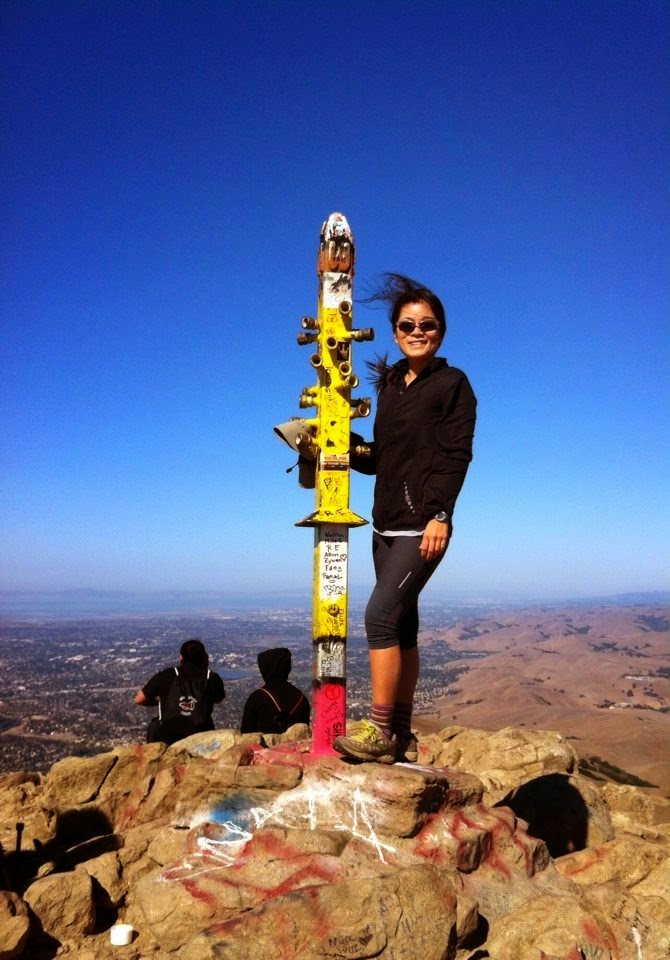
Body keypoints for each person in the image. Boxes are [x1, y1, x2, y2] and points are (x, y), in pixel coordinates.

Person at [333, 274, 476, 764]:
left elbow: (456, 455)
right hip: (383, 525)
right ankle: (400, 733)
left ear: (441, 330)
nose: (418, 331)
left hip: (423, 526)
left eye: (428, 324)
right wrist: (345, 445)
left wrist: (441, 514)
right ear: (395, 331)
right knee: (404, 627)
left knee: (379, 617)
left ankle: (377, 731)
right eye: (408, 324)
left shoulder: (453, 385)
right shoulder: (391, 383)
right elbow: (383, 457)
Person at [134, 638, 225, 745]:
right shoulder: (211, 678)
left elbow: (139, 699)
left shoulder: (167, 675)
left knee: (155, 725)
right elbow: (218, 698)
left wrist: (161, 701)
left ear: (181, 657)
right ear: (204, 657)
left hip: (168, 738)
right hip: (200, 737)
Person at [240, 647, 310, 734]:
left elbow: (246, 734)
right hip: (296, 746)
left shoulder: (257, 698)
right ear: (287, 667)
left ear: (266, 669)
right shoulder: (301, 698)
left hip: (264, 747)